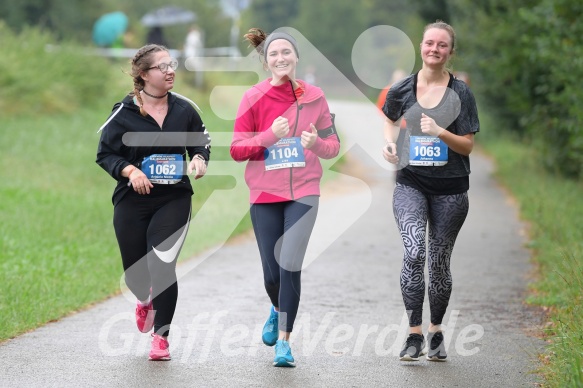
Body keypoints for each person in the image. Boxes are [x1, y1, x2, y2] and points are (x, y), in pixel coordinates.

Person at [230, 28, 340, 367]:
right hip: (264, 193)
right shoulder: (252, 98)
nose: (281, 58)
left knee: (289, 263)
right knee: (271, 274)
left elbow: (332, 145)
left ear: (296, 58)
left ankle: (284, 342)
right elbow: (236, 150)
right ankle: (276, 310)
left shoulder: (316, 97)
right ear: (266, 62)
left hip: (305, 191)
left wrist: (314, 145)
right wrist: (268, 136)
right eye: (274, 54)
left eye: (286, 53)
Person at [96, 44, 211, 361]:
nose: (171, 70)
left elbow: (201, 141)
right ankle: (144, 299)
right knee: (136, 275)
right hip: (132, 201)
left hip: (173, 198)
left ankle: (161, 338)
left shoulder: (185, 109)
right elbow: (105, 154)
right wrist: (130, 170)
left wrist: (200, 159)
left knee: (163, 264)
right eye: (162, 66)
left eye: (171, 64)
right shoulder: (123, 112)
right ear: (144, 75)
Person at [381, 21, 480, 362]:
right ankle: (413, 334)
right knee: (413, 252)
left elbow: (467, 146)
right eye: (429, 43)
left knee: (438, 262)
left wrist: (439, 132)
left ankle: (436, 329)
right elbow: (389, 119)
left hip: (451, 189)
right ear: (420, 47)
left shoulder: (461, 93)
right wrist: (390, 145)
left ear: (450, 52)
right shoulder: (402, 89)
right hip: (411, 183)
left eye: (442, 45)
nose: (434, 49)